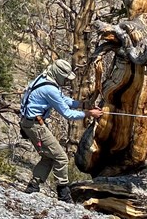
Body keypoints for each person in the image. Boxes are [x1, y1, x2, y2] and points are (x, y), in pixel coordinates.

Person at [19, 59, 102, 203]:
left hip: (30, 123)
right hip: (35, 126)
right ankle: (63, 194)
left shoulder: (44, 79)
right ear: (58, 74)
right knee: (61, 158)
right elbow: (68, 114)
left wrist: (82, 104)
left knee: (48, 156)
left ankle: (33, 186)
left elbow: (62, 99)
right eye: (65, 77)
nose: (66, 80)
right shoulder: (50, 89)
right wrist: (89, 113)